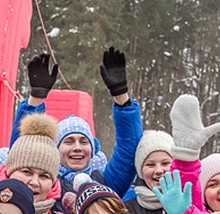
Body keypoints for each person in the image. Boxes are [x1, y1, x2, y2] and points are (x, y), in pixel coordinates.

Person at [11, 50, 143, 197]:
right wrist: (35, 99)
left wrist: (121, 96)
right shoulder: (44, 184)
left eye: (84, 141)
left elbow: (128, 151)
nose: (77, 147)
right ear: (56, 150)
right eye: (69, 141)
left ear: (92, 149)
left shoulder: (105, 184)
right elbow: (20, 153)